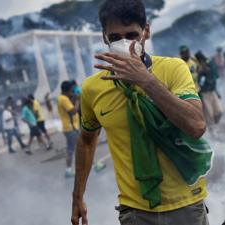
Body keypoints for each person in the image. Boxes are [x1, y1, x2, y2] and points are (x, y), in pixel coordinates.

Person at [71, 1, 212, 225]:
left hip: (186, 204)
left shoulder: (173, 68)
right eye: (115, 37)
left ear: (146, 32)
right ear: (105, 37)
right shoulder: (92, 88)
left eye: (132, 35)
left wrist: (145, 80)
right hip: (135, 211)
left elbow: (196, 125)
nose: (124, 43)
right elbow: (87, 141)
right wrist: (77, 196)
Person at [57, 81, 80, 178]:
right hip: (71, 128)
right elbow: (73, 112)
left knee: (71, 150)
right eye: (71, 90)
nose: (72, 91)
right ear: (67, 90)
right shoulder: (64, 99)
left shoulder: (61, 98)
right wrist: (78, 101)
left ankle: (68, 170)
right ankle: (94, 165)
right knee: (81, 148)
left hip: (69, 128)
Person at [195, 51, 223, 126]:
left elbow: (215, 78)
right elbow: (199, 84)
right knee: (209, 114)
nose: (204, 63)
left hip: (213, 92)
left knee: (219, 112)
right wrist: (201, 72)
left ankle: (215, 125)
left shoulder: (209, 68)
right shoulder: (198, 70)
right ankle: (212, 129)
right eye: (202, 61)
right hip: (204, 94)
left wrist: (217, 92)